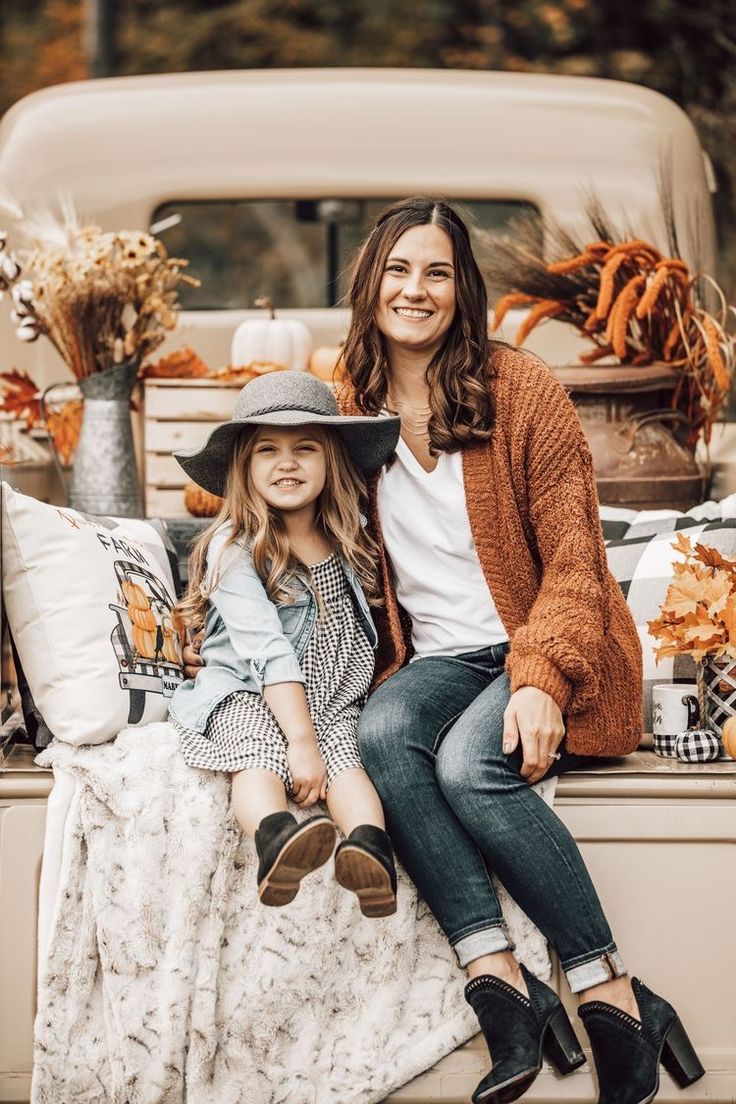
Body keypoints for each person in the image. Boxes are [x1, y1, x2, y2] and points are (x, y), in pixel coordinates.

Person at [184, 198, 705, 1104]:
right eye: (396, 271)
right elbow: (270, 484)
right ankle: (498, 979)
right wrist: (210, 553)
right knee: (384, 740)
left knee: (471, 764)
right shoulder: (345, 408)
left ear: (461, 288)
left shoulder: (521, 388)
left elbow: (579, 562)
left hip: (537, 639)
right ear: (368, 286)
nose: (414, 290)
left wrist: (539, 678)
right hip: (432, 662)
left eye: (435, 272)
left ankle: (613, 992)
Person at [170, 370, 401, 918]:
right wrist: (299, 740)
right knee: (256, 750)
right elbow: (267, 649)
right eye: (268, 450)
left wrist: (317, 734)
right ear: (243, 468)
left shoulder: (352, 533)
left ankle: (370, 853)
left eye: (305, 448)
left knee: (347, 760)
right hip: (249, 690)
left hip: (330, 698)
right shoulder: (236, 547)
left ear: (332, 462)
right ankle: (275, 839)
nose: (287, 462)